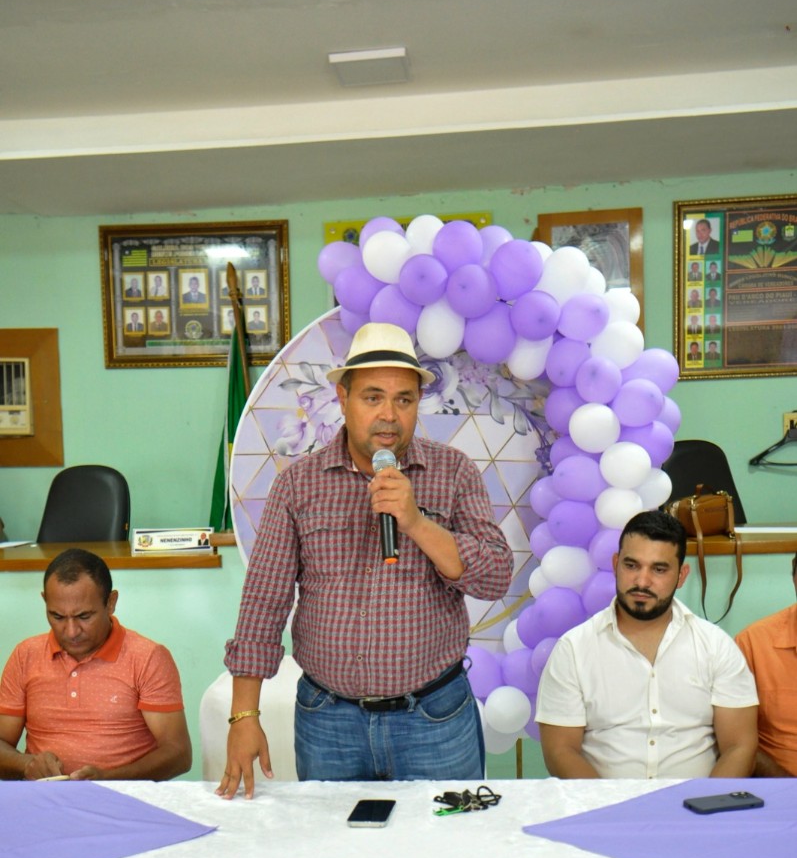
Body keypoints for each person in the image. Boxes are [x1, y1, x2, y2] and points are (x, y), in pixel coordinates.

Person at [219, 321, 513, 797]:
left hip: (434, 717)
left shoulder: (454, 471)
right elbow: (263, 603)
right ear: (343, 399)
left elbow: (494, 576)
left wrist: (416, 522)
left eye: (404, 400)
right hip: (328, 721)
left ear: (419, 403)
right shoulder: (299, 484)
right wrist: (244, 715)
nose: (389, 416)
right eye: (372, 397)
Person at [535, 510, 758, 780]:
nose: (642, 581)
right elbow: (560, 751)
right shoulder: (573, 648)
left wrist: (705, 809)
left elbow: (739, 746)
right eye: (631, 565)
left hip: (695, 811)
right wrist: (609, 813)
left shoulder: (715, 646)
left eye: (659, 569)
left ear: (681, 575)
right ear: (616, 564)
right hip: (602, 811)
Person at [0, 548, 192, 781]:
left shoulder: (147, 657)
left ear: (111, 603)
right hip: (44, 799)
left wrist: (109, 778)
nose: (71, 632)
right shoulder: (25, 655)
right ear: (44, 601)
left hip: (124, 800)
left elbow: (178, 754)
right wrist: (27, 764)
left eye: (84, 616)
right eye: (57, 617)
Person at [735, 554, 797, 776]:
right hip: (780, 790)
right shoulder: (752, 644)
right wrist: (789, 789)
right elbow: (735, 742)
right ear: (794, 576)